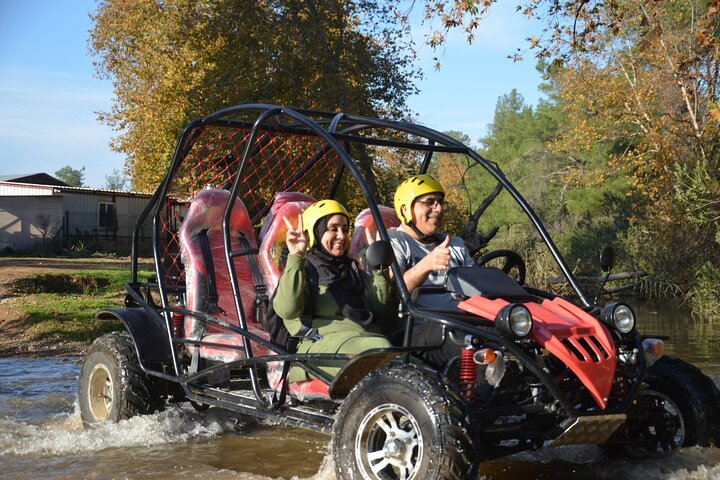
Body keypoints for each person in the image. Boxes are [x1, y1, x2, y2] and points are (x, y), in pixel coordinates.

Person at [272, 199, 394, 382]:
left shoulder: (352, 271)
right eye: (333, 228)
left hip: (364, 339)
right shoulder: (303, 270)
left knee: (418, 363)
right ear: (315, 232)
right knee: (379, 350)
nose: (341, 236)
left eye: (345, 230)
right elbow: (287, 309)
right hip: (318, 345)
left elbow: (382, 310)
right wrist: (296, 256)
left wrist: (379, 268)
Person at [388, 174, 474, 369]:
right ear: (405, 209)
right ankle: (487, 390)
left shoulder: (456, 244)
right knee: (466, 339)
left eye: (440, 203)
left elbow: (477, 285)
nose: (438, 209)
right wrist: (426, 264)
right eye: (429, 202)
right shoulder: (393, 241)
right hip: (415, 329)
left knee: (510, 330)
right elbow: (393, 292)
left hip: (460, 322)